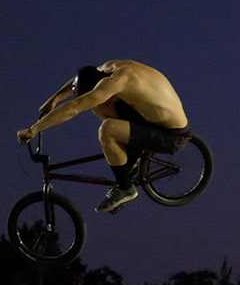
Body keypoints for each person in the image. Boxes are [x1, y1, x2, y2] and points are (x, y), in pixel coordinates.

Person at [16, 60, 192, 215]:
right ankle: (131, 154)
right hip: (152, 120)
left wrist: (34, 129)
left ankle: (125, 188)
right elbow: (79, 80)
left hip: (171, 136)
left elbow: (74, 107)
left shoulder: (117, 82)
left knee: (107, 129)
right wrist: (54, 99)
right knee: (97, 104)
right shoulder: (108, 68)